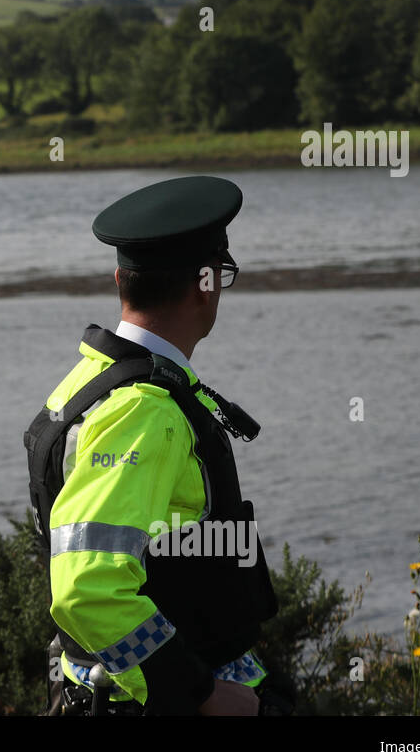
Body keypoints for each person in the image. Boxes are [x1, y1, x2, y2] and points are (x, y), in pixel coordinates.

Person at [24, 175, 286, 716]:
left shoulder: (86, 381)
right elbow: (87, 584)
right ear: (207, 283)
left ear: (121, 279)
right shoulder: (146, 410)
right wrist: (201, 694)